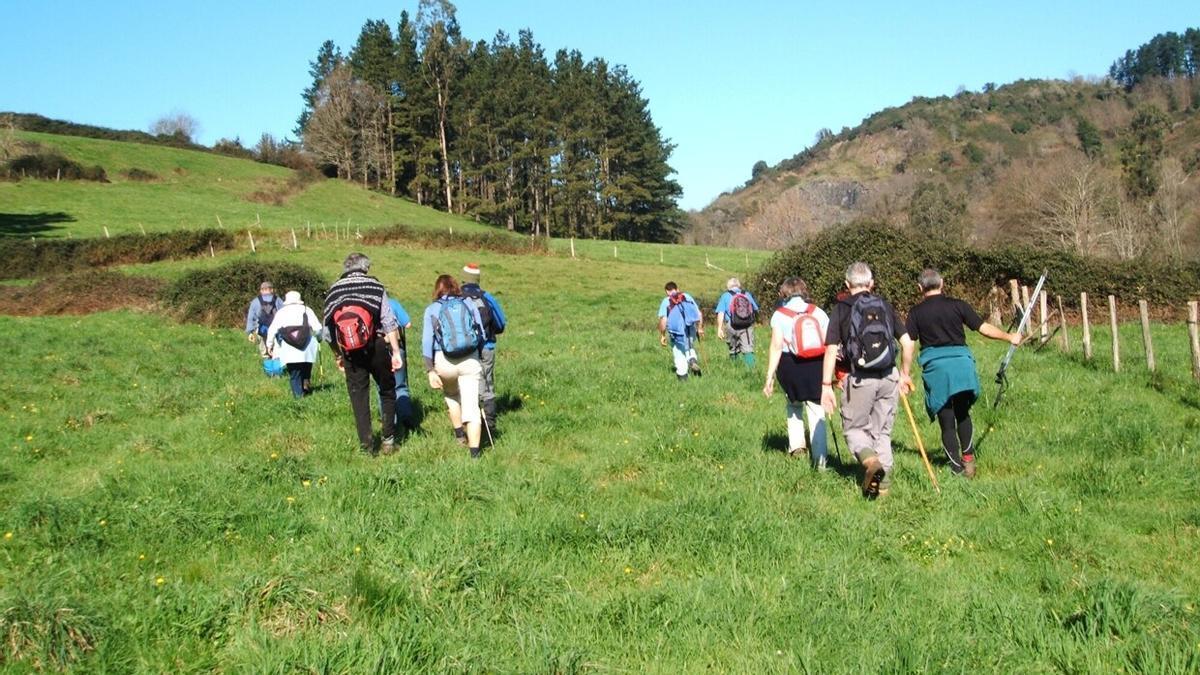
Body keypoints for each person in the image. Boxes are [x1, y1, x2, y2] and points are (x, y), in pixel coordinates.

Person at [901, 269, 1022, 478]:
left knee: (946, 420)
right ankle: (968, 459)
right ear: (942, 284)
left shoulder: (915, 313)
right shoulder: (958, 305)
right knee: (963, 413)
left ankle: (956, 468)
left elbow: (908, 345)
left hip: (937, 370)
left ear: (919, 288)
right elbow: (983, 328)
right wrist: (1009, 336)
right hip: (962, 367)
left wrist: (905, 373)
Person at [820, 262, 915, 498]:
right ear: (871, 284)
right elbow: (908, 343)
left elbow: (831, 349)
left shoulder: (841, 309)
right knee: (882, 431)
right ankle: (883, 490)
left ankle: (871, 462)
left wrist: (825, 386)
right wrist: (904, 374)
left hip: (860, 378)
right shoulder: (885, 305)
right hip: (888, 376)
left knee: (853, 428)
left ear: (847, 284)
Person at [323, 253, 404, 456]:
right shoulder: (375, 287)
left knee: (359, 397)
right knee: (386, 390)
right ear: (366, 268)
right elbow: (389, 321)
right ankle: (388, 440)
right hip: (376, 345)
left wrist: (337, 355)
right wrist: (395, 351)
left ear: (346, 268)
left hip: (350, 351)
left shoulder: (334, 290)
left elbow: (327, 332)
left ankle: (367, 447)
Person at [763, 277, 831, 469]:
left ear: (784, 293)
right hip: (816, 364)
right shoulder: (818, 312)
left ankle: (797, 447)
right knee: (817, 410)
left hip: (790, 365)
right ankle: (820, 462)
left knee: (793, 406)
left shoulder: (779, 315)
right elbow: (829, 343)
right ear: (804, 291)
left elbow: (776, 347)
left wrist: (770, 376)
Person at [422, 274, 486, 458]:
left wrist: (430, 369)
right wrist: (478, 355)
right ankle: (475, 454)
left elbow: (427, 341)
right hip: (470, 358)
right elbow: (480, 332)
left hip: (444, 360)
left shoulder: (432, 309)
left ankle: (459, 435)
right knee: (472, 406)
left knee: (451, 394)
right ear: (456, 287)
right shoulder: (468, 303)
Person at [460, 262, 506, 434]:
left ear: (463, 279)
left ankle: (469, 424)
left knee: (465, 384)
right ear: (477, 279)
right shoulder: (487, 297)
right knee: (486, 383)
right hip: (486, 346)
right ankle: (489, 424)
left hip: (463, 349)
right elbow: (501, 323)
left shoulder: (456, 298)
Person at [265, 291, 325, 398]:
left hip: (289, 347)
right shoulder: (307, 310)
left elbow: (272, 330)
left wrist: (269, 345)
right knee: (306, 368)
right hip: (306, 347)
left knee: (294, 374)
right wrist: (319, 338)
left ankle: (298, 397)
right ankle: (306, 385)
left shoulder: (281, 312)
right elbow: (318, 328)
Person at [383, 295, 416, 433]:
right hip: (397, 347)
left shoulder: (372, 303)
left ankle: (390, 422)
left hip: (380, 349)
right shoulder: (393, 303)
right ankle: (406, 416)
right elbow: (408, 324)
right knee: (400, 385)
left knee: (383, 387)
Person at [657, 281, 704, 381]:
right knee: (690, 345)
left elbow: (663, 320)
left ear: (667, 292)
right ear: (677, 289)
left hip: (676, 331)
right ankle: (692, 359)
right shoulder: (686, 296)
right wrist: (700, 328)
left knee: (679, 352)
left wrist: (662, 335)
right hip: (690, 327)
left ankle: (683, 377)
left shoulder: (666, 301)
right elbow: (699, 314)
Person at [714, 277, 760, 368]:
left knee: (733, 348)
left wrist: (720, 328)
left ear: (728, 286)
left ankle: (734, 369)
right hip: (747, 324)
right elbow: (755, 309)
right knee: (748, 349)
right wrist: (755, 321)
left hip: (731, 324)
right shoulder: (746, 294)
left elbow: (721, 313)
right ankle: (751, 371)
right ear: (739, 286)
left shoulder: (725, 296)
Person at [245, 280, 283, 358]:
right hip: (276, 329)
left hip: (261, 329)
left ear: (261, 290)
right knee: (276, 349)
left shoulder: (255, 301)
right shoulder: (278, 300)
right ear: (272, 290)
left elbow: (250, 318)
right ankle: (275, 362)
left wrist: (250, 332)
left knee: (264, 351)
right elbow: (284, 314)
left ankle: (265, 361)